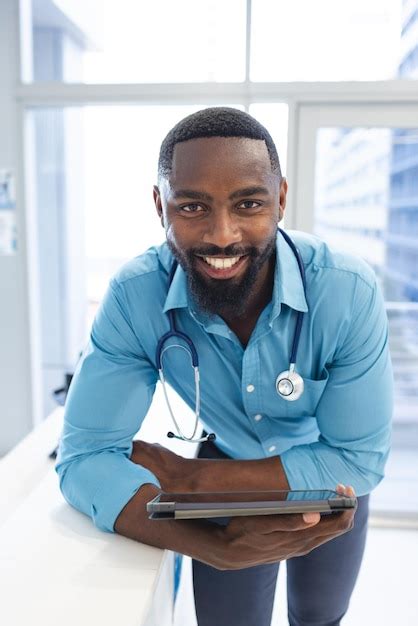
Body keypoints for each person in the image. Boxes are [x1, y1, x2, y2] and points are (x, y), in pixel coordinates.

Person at [56, 107, 393, 626]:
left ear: (280, 199)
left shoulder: (346, 290)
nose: (221, 235)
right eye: (191, 206)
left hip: (322, 486)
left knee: (320, 616)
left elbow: (357, 459)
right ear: (159, 205)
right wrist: (209, 543)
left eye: (249, 203)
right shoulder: (135, 296)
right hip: (227, 468)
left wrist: (191, 480)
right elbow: (84, 458)